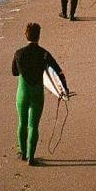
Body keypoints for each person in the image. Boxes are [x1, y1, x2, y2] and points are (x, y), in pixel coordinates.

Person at [11, 21, 64, 165]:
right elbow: (57, 72)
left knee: (22, 122)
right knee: (33, 125)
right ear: (39, 36)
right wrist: (63, 90)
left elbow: (14, 72)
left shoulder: (18, 53)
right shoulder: (44, 54)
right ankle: (31, 157)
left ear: (26, 35)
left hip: (22, 92)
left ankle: (22, 152)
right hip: (37, 93)